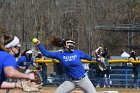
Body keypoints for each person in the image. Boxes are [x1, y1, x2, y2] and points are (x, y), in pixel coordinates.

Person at [32, 36, 97, 93]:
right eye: (70, 44)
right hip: (71, 81)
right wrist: (39, 44)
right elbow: (46, 53)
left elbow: (87, 57)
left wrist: (98, 59)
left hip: (83, 80)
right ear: (65, 45)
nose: (72, 45)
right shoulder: (60, 55)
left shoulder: (77, 52)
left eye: (72, 44)